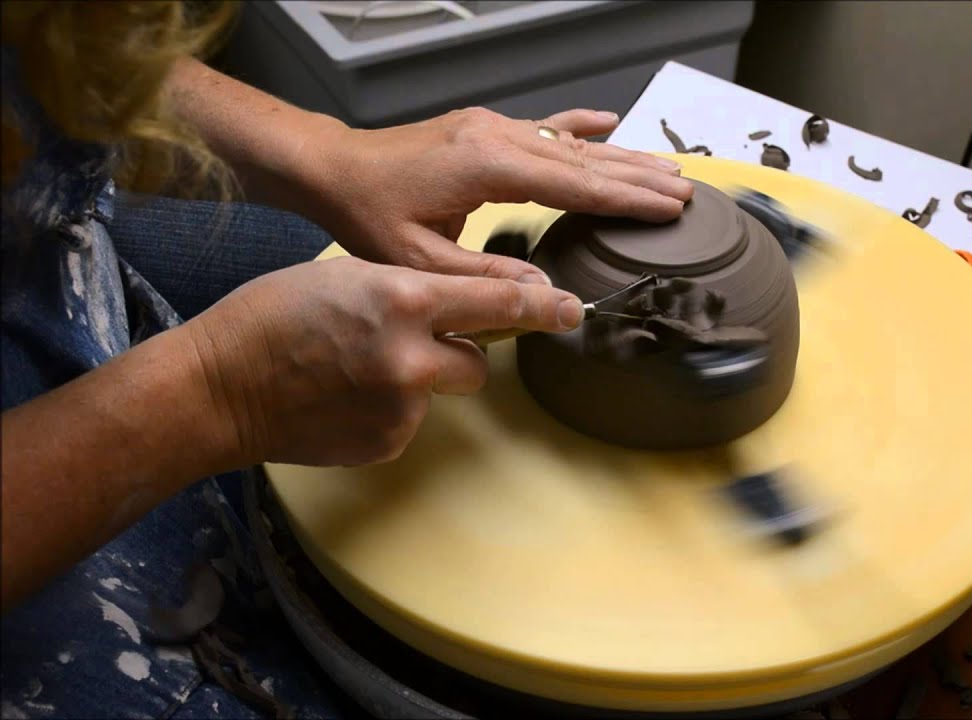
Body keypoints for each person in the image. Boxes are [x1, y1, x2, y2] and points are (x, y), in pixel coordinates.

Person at [0, 2, 693, 716]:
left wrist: (326, 150)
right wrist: (217, 395)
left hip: (41, 226)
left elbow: (58, 33)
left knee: (374, 273)